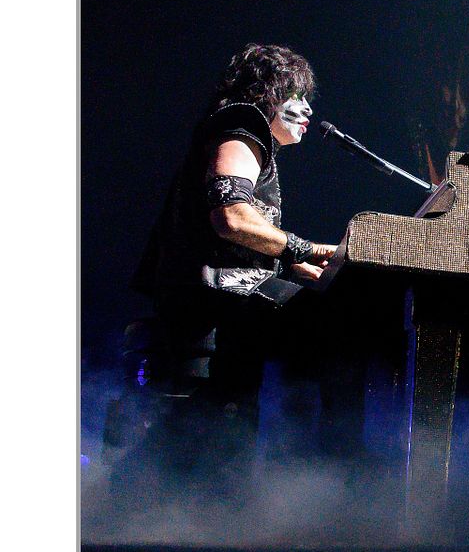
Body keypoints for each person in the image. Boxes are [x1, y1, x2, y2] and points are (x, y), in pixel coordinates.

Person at [130, 43, 355, 496]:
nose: (307, 107)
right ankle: (338, 478)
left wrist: (290, 265)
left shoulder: (241, 134)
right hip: (211, 305)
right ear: (267, 93)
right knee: (340, 332)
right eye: (296, 93)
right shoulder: (243, 126)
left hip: (209, 300)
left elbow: (229, 238)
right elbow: (230, 216)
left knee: (211, 445)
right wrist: (305, 250)